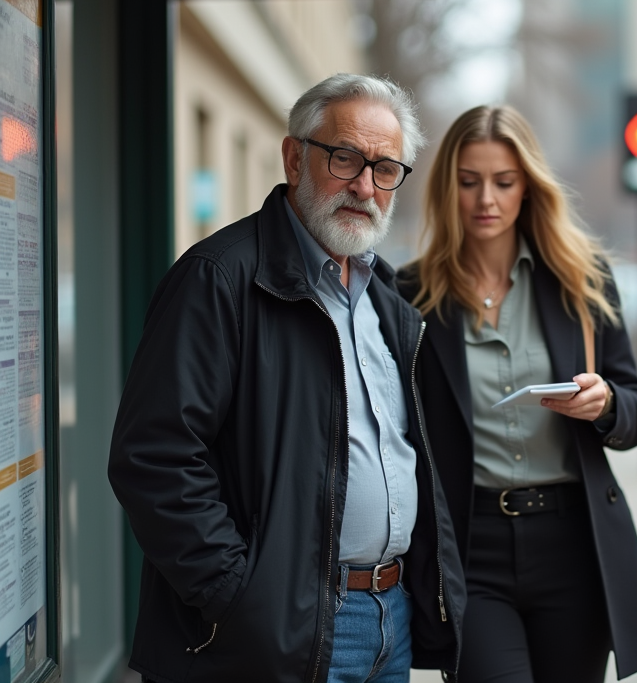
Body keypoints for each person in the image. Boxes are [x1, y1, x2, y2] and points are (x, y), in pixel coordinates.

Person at [107, 74, 465, 683]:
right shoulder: (219, 279)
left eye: (385, 169)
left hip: (388, 621)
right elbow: (154, 457)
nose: (364, 186)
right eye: (345, 157)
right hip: (272, 635)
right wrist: (237, 598)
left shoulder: (388, 302)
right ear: (295, 155)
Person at [397, 105, 637, 683]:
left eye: (504, 182)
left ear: (528, 188)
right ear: (448, 189)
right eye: (469, 182)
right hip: (472, 548)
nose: (485, 199)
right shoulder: (409, 295)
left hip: (573, 544)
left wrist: (607, 404)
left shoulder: (581, 278)